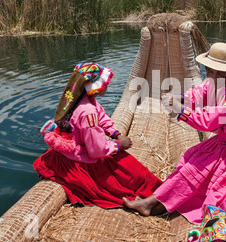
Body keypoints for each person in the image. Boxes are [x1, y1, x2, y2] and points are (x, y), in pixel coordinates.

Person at [123, 42, 226, 224]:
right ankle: (155, 203)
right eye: (208, 69)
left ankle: (150, 205)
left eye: (212, 70)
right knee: (191, 158)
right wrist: (180, 98)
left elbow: (207, 121)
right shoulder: (218, 81)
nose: (208, 73)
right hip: (225, 142)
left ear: (225, 72)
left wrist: (181, 110)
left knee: (194, 169)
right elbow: (200, 92)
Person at [33, 62, 162, 209]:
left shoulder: (78, 99)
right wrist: (119, 145)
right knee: (134, 175)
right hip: (82, 162)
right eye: (105, 83)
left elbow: (101, 116)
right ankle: (154, 200)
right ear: (95, 86)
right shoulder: (87, 112)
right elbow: (96, 150)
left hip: (66, 155)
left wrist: (115, 133)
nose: (107, 85)